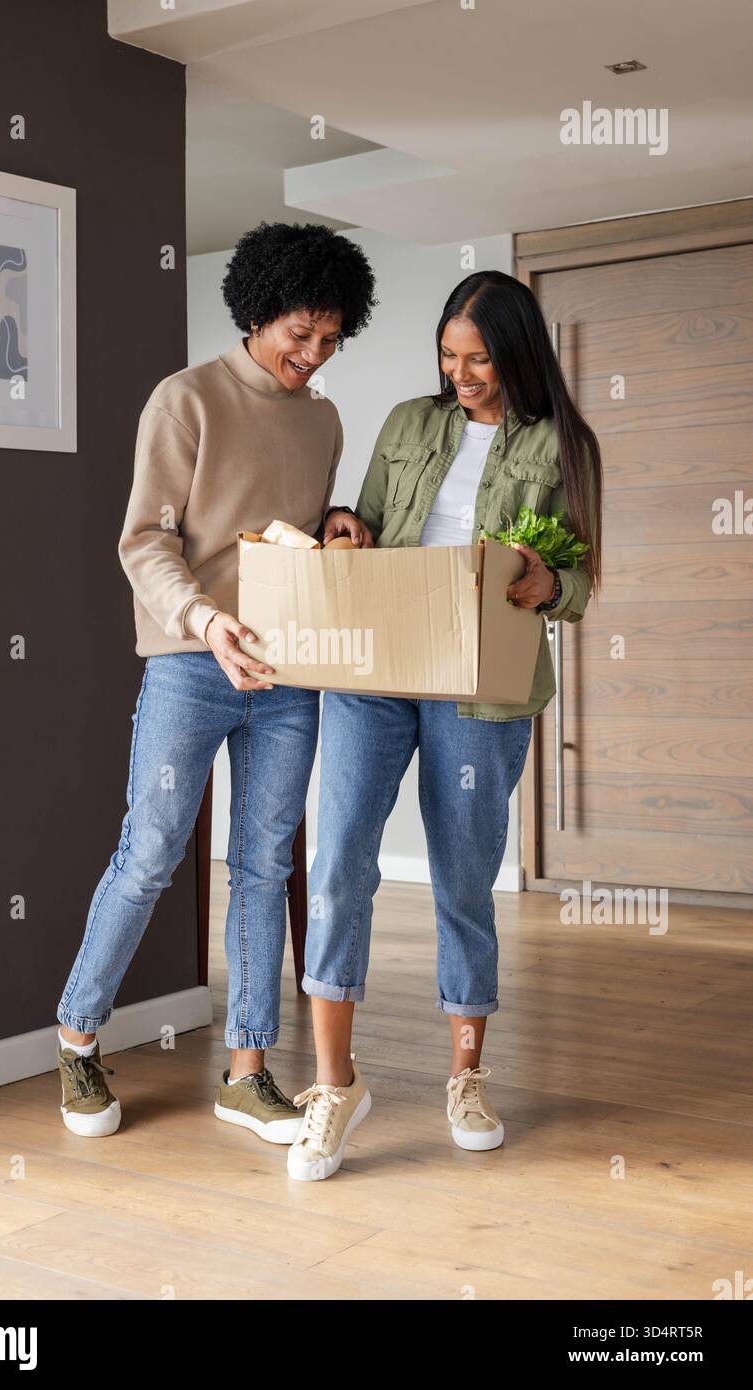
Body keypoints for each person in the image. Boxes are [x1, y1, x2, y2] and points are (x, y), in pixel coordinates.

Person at [55, 222, 376, 1144]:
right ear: (258, 311)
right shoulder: (184, 401)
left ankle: (247, 1068)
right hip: (192, 664)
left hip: (288, 673)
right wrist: (204, 621)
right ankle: (78, 1037)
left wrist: (342, 519)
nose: (309, 358)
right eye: (298, 336)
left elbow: (299, 527)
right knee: (152, 851)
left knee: (265, 865)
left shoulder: (320, 416)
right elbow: (145, 540)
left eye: (328, 341)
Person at [288, 269, 603, 1180]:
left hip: (481, 684)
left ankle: (466, 1075)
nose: (460, 374)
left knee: (463, 879)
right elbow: (371, 529)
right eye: (447, 356)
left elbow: (578, 583)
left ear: (517, 353)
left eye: (479, 359)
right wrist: (347, 528)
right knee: (339, 858)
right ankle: (335, 1086)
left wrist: (551, 583)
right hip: (379, 669)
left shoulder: (563, 442)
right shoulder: (405, 424)